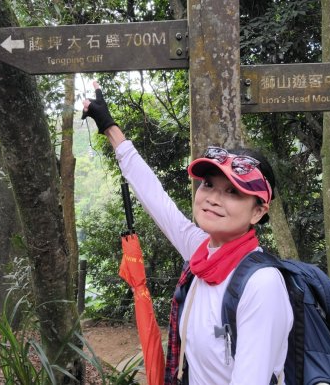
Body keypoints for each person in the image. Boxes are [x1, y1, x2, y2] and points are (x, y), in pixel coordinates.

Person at [83, 81, 293, 385]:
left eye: (233, 192)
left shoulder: (261, 284)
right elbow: (155, 197)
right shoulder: (202, 252)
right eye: (208, 184)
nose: (213, 198)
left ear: (258, 211)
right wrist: (109, 127)